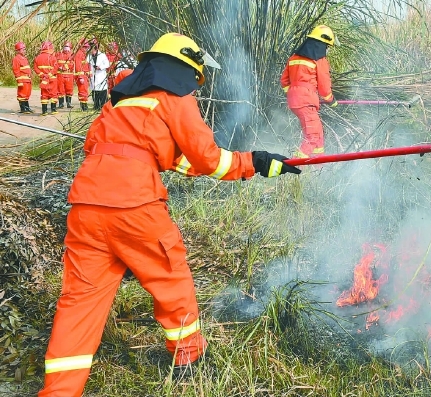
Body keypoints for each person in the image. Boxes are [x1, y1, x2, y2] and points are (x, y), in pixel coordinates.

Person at [37, 32, 301, 397]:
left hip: (86, 207)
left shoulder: (118, 103)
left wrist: (246, 164)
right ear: (186, 67)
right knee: (170, 277)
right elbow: (209, 159)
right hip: (135, 206)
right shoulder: (176, 97)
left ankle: (58, 391)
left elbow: (128, 150)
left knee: (79, 301)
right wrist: (254, 162)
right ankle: (188, 358)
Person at [280, 25, 339, 158]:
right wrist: (331, 100)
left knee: (318, 135)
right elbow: (324, 88)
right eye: (327, 46)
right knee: (312, 137)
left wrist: (294, 94)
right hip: (307, 103)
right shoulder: (319, 60)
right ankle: (294, 168)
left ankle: (318, 167)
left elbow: (284, 81)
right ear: (323, 44)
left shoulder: (294, 58)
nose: (327, 50)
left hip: (295, 102)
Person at [33, 40, 59, 115]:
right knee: (53, 94)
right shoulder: (52, 57)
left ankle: (44, 111)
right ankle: (53, 110)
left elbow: (35, 68)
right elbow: (56, 67)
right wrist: (50, 75)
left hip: (43, 79)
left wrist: (42, 75)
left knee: (44, 94)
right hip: (52, 79)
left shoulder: (38, 57)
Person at [87, 39, 110, 110]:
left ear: (95, 48)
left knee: (102, 91)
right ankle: (96, 106)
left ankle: (103, 106)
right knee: (95, 92)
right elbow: (87, 65)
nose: (90, 50)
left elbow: (107, 64)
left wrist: (100, 67)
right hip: (93, 76)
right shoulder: (89, 56)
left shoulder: (102, 55)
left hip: (101, 76)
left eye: (91, 48)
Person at [12, 41, 33, 114]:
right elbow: (16, 70)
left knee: (27, 94)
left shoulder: (24, 58)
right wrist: (19, 81)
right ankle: (23, 108)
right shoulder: (16, 59)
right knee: (22, 94)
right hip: (22, 80)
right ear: (18, 50)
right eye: (22, 49)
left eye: (24, 49)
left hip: (27, 79)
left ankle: (27, 108)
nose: (24, 50)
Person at [73, 39, 91, 112]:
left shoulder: (83, 54)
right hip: (81, 76)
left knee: (85, 91)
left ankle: (84, 106)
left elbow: (86, 66)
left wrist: (89, 73)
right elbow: (78, 66)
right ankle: (83, 107)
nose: (86, 48)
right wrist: (80, 77)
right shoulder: (79, 54)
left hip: (84, 75)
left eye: (87, 47)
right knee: (82, 91)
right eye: (84, 47)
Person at [56, 41, 75, 109]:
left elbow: (72, 64)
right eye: (65, 47)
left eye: (68, 47)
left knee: (69, 89)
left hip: (69, 75)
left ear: (70, 48)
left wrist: (64, 67)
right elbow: (55, 62)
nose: (66, 49)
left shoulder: (72, 55)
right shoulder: (59, 54)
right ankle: (61, 104)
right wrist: (59, 67)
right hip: (60, 75)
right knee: (60, 90)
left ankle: (68, 103)